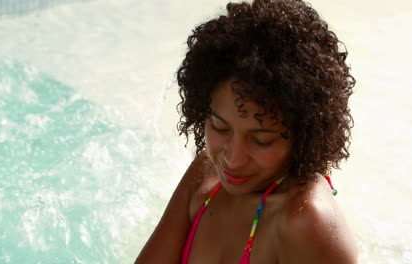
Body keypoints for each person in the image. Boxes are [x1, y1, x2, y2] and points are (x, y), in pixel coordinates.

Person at [136, 0, 358, 263]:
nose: (233, 158)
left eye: (261, 140)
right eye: (219, 126)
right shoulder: (205, 178)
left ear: (304, 134)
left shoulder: (305, 221)